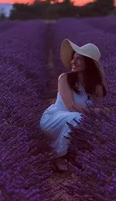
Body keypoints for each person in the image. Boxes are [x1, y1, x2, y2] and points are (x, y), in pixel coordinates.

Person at [40, 38, 107, 172]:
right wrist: (96, 111)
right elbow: (71, 107)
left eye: (78, 59)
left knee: (91, 123)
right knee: (78, 117)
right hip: (53, 120)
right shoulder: (64, 78)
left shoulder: (96, 86)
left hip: (75, 124)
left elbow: (102, 109)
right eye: (73, 58)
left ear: (88, 64)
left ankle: (80, 156)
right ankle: (59, 156)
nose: (73, 62)